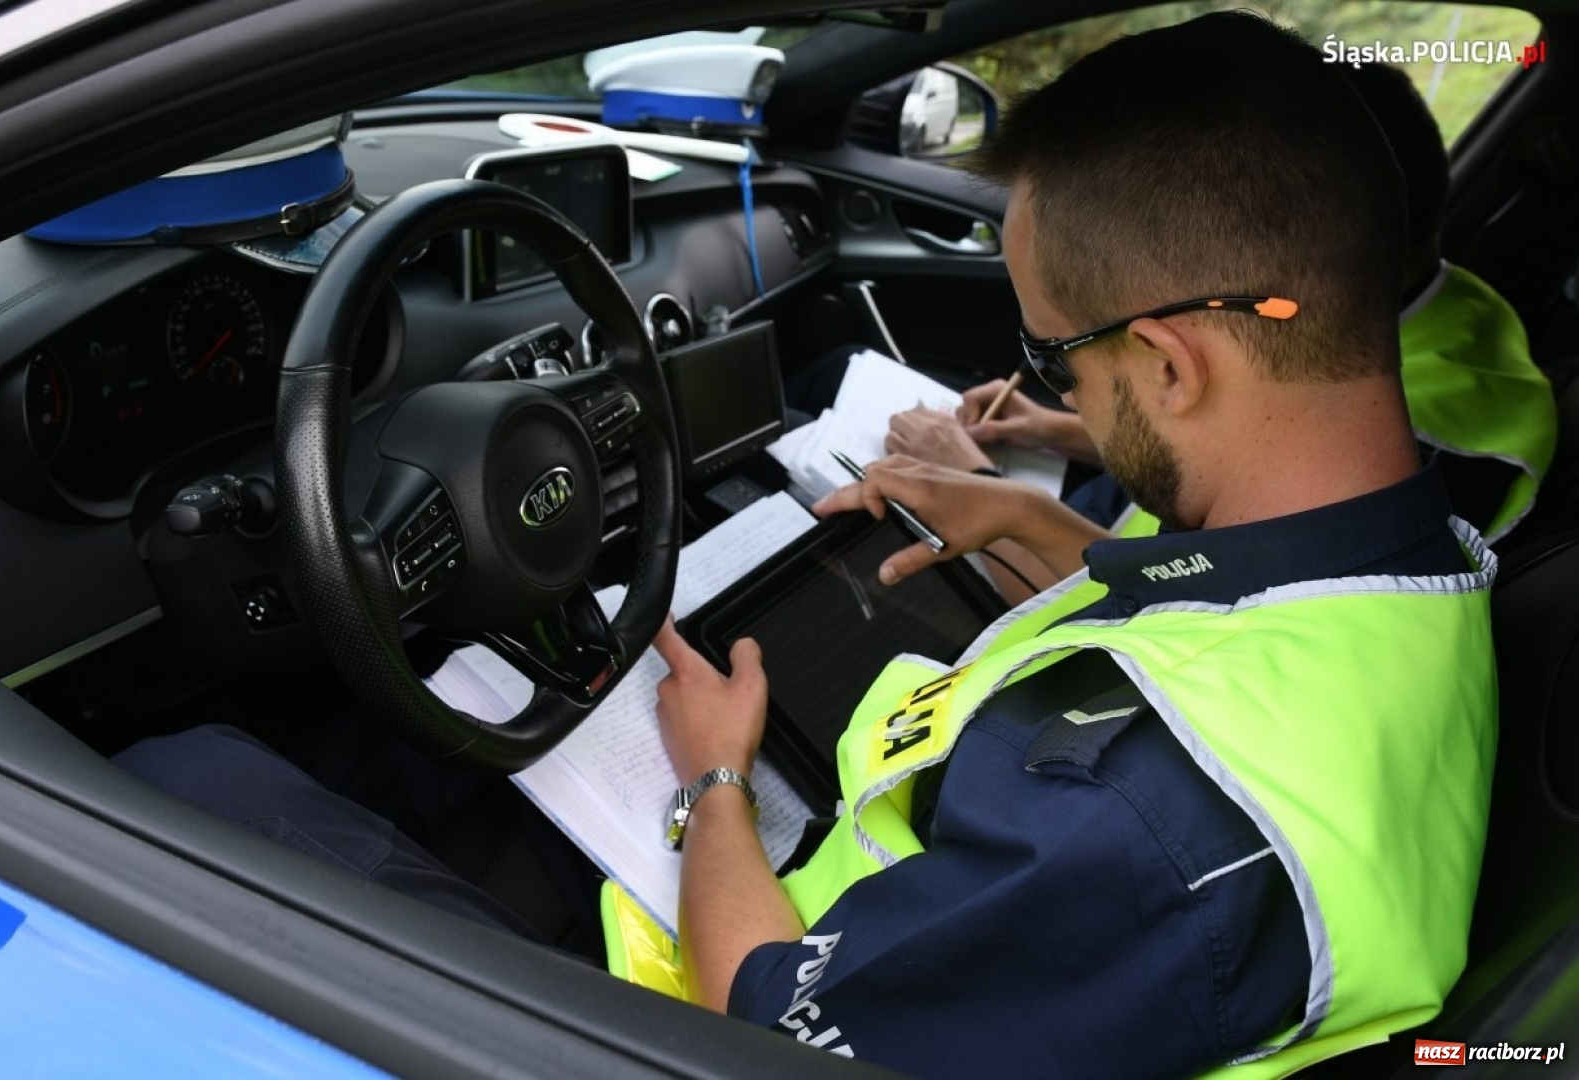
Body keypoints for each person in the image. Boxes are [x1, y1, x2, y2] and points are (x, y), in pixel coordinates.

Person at [639, 13, 1496, 1079]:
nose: (1051, 387)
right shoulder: (1404, 547)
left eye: (1052, 357)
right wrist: (1024, 515)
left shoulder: (1139, 828)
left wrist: (708, 781)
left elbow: (769, 1035)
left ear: (1172, 367)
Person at [888, 60, 1557, 549]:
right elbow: (1214, 439)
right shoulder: (1452, 303)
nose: (1063, 391)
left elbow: (1164, 607)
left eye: (1054, 361)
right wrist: (1039, 428)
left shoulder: (1410, 446)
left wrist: (991, 495)